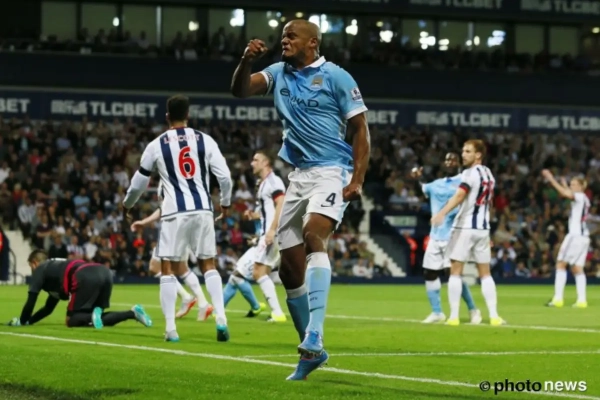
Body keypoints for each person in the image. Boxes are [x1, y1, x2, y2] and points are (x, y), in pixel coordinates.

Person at [231, 19, 370, 380]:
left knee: (313, 235)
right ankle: (312, 353)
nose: (284, 41)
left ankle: (315, 333)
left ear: (312, 43)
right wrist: (246, 60)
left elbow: (360, 129)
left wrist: (357, 178)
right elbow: (241, 91)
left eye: (291, 36)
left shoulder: (336, 76)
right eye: (282, 36)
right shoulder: (278, 72)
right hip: (299, 175)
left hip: (332, 170)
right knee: (289, 269)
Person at [123, 95, 233, 342]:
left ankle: (171, 329)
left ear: (167, 117)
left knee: (167, 269)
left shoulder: (156, 145)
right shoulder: (205, 139)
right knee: (208, 265)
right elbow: (225, 177)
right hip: (203, 209)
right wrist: (225, 203)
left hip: (174, 212)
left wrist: (127, 205)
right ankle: (221, 319)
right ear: (188, 115)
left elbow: (139, 183)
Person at [431, 140, 505, 326]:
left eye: (468, 151)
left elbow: (459, 195)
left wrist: (441, 213)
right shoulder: (489, 174)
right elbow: (489, 203)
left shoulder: (469, 173)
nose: (463, 154)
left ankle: (454, 317)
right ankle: (494, 316)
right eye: (463, 151)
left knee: (455, 272)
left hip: (464, 227)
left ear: (478, 155)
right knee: (485, 273)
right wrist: (487, 230)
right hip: (482, 229)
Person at [412, 153, 482, 324]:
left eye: (453, 160)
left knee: (453, 275)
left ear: (459, 163)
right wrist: (416, 178)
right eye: (447, 160)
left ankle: (473, 309)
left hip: (454, 235)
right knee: (429, 273)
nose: (449, 162)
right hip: (435, 236)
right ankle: (437, 312)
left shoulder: (464, 181)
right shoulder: (436, 184)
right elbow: (422, 190)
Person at [6, 249, 152, 328]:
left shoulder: (41, 269)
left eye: (31, 266)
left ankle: (91, 315)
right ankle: (133, 313)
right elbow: (48, 308)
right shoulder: (54, 271)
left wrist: (22, 321)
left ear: (35, 263)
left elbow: (31, 300)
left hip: (83, 276)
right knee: (98, 320)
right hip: (103, 272)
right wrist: (30, 321)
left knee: (71, 320)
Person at [130, 205, 214, 321]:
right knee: (182, 270)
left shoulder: (170, 193)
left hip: (172, 231)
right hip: (187, 229)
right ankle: (203, 303)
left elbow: (163, 207)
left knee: (154, 267)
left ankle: (186, 297)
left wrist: (144, 222)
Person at [238, 150, 287, 322]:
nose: (252, 163)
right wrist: (254, 215)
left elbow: (281, 204)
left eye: (256, 160)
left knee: (258, 272)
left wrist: (272, 230)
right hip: (269, 231)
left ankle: (278, 313)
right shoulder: (264, 184)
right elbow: (269, 211)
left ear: (266, 163)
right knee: (262, 272)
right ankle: (279, 309)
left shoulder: (274, 181)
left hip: (272, 232)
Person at [541, 170, 590, 308]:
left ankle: (558, 299)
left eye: (574, 184)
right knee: (577, 268)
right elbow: (567, 192)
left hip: (575, 236)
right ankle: (582, 300)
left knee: (560, 264)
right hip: (584, 237)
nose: (571, 187)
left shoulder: (579, 196)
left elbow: (565, 193)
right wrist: (564, 184)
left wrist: (551, 179)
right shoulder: (584, 198)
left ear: (581, 186)